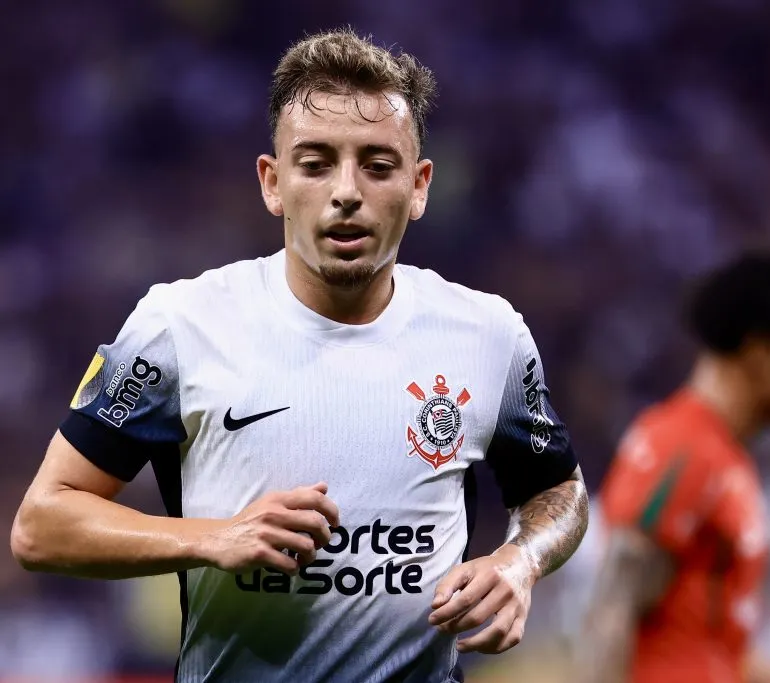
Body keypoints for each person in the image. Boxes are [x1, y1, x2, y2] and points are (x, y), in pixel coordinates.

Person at [9, 28, 588, 683]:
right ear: (272, 182)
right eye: (315, 163)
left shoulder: (490, 334)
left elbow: (558, 489)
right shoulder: (177, 326)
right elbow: (42, 524)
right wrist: (214, 537)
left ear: (420, 186)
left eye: (378, 165)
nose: (346, 191)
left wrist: (521, 559)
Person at [577, 250, 770, 683]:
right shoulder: (681, 449)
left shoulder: (723, 458)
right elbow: (611, 612)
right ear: (761, 352)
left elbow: (704, 651)